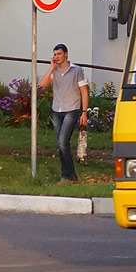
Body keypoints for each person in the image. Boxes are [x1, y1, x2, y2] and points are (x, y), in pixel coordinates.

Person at [38, 43, 89, 182]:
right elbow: (42, 85)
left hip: (71, 110)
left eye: (59, 54)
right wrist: (51, 68)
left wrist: (84, 112)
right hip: (57, 110)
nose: (56, 57)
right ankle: (68, 175)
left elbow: (84, 91)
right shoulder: (54, 71)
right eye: (54, 54)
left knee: (62, 142)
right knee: (61, 146)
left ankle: (68, 175)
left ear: (66, 54)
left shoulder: (76, 70)